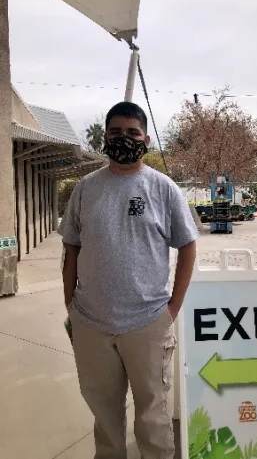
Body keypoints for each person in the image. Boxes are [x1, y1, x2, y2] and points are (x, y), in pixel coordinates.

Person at [58, 101, 198, 459]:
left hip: (147, 322)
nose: (124, 138)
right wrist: (69, 303)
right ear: (105, 137)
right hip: (91, 322)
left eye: (132, 132)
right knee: (104, 416)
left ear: (146, 138)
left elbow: (187, 247)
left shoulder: (163, 189)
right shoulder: (86, 189)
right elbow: (71, 247)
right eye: (115, 132)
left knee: (153, 416)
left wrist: (172, 308)